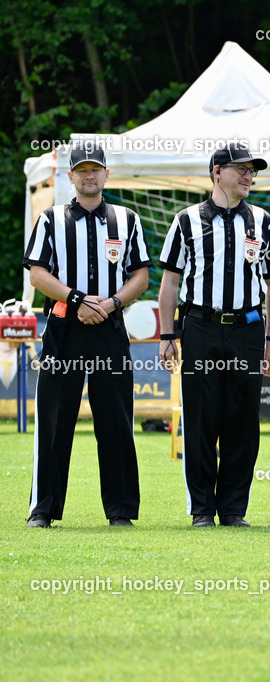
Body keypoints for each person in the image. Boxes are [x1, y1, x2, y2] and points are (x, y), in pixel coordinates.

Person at [158, 143, 270, 528]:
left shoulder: (262, 221)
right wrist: (168, 335)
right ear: (217, 172)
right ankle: (201, 509)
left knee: (242, 421)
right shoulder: (186, 220)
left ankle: (233, 509)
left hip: (248, 329)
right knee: (200, 419)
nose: (249, 176)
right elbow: (170, 281)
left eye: (253, 171)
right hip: (200, 327)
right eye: (241, 169)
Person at [23, 143, 151, 528]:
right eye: (82, 169)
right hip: (64, 328)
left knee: (115, 420)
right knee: (54, 419)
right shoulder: (51, 219)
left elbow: (141, 276)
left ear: (107, 175)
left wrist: (110, 304)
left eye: (96, 168)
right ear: (71, 177)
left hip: (110, 329)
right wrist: (77, 299)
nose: (89, 175)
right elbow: (37, 274)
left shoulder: (127, 219)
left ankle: (122, 510)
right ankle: (43, 509)